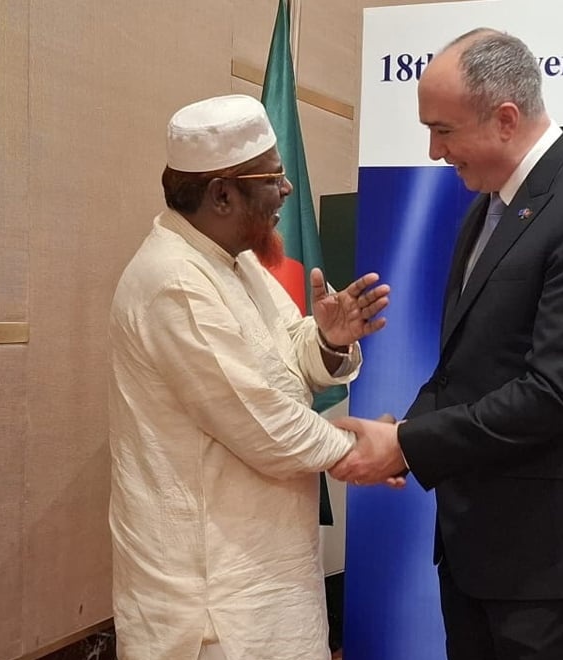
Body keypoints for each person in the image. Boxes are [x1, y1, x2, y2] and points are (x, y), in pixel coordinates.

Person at [330, 29, 563, 659]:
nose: (433, 151)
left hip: (555, 563)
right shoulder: (490, 207)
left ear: (506, 119)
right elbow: (469, 365)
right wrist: (403, 434)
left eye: (443, 130)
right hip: (479, 546)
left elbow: (555, 393)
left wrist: (408, 445)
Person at [108, 94, 389, 660]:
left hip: (265, 571)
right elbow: (263, 424)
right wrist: (374, 451)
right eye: (273, 178)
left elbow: (285, 357)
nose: (287, 189)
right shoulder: (175, 281)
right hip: (212, 600)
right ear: (222, 194)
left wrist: (329, 339)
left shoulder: (233, 260)